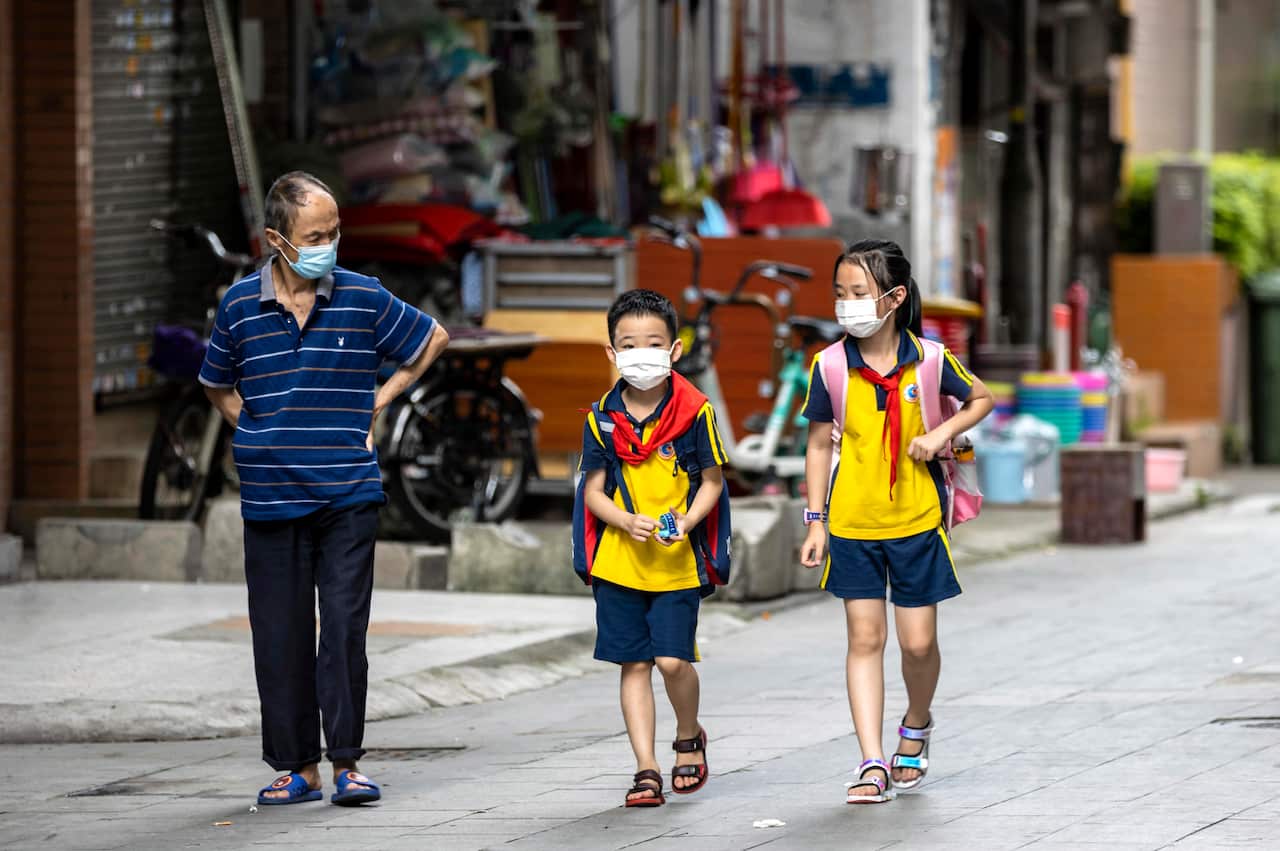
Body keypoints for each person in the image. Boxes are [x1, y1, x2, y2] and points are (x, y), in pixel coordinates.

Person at [200, 171, 450, 806]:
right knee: (279, 634)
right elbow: (215, 382)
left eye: (335, 232)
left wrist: (380, 401)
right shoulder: (238, 306)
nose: (329, 245)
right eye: (316, 235)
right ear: (276, 240)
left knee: (342, 629)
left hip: (348, 495)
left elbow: (431, 339)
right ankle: (296, 768)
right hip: (271, 497)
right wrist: (253, 432)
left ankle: (346, 764)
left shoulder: (362, 296)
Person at [798, 240, 993, 804]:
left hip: (917, 520)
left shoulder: (930, 360)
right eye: (840, 293)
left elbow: (978, 398)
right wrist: (816, 521)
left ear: (894, 297)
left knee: (917, 644)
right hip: (852, 524)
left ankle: (917, 720)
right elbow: (817, 446)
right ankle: (871, 761)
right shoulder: (829, 365)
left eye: (858, 293)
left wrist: (938, 436)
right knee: (865, 638)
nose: (847, 304)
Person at [573, 289, 732, 808]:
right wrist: (623, 521)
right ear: (611, 354)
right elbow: (592, 492)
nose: (640, 353)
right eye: (628, 344)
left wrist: (686, 522)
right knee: (634, 665)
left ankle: (689, 733)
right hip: (620, 563)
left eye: (653, 343)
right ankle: (646, 769)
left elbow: (713, 481)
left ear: (675, 350)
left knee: (671, 661)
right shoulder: (600, 418)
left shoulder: (694, 414)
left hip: (675, 563)